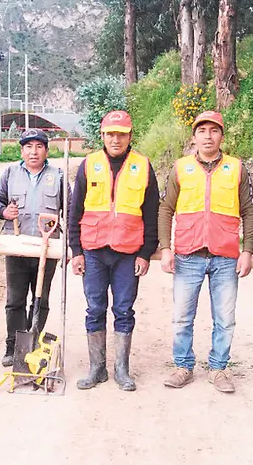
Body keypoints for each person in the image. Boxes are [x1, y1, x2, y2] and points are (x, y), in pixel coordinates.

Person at [158, 110, 253, 394]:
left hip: (225, 257)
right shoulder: (180, 168)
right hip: (187, 255)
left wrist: (247, 250)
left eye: (214, 131)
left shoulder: (237, 168)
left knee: (225, 318)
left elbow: (250, 210)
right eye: (202, 130)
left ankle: (219, 368)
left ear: (221, 136)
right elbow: (166, 209)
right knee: (181, 317)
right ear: (194, 137)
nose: (208, 136)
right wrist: (166, 248)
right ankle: (182, 366)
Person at [68, 110, 159, 392]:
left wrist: (145, 253)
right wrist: (76, 250)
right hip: (93, 250)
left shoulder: (143, 166)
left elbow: (151, 212)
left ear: (130, 135)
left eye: (121, 134)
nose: (116, 139)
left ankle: (121, 369)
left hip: (128, 251)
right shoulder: (89, 164)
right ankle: (97, 368)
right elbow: (75, 209)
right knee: (94, 308)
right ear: (102, 136)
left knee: (123, 309)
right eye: (110, 134)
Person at [0, 128, 65, 367]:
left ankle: (33, 341)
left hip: (47, 246)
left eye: (39, 146)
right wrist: (3, 211)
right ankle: (13, 345)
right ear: (22, 150)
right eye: (28, 147)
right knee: (15, 299)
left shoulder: (59, 175)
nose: (34, 152)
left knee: (40, 299)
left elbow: (71, 209)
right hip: (17, 244)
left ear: (46, 150)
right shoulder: (10, 173)